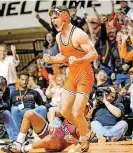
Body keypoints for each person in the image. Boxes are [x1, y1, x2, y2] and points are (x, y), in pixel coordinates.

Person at [44, 5, 98, 152]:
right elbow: (64, 56)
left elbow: (94, 54)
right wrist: (52, 59)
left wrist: (79, 61)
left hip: (85, 75)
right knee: (65, 111)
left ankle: (84, 139)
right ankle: (87, 132)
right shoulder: (58, 36)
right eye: (51, 18)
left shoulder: (78, 34)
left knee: (76, 112)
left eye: (55, 17)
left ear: (65, 17)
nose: (53, 21)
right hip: (72, 75)